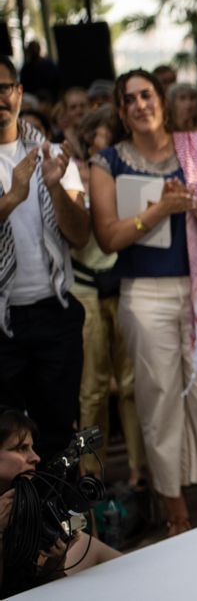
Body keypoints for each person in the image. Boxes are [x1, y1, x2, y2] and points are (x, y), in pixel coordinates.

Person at [90, 69, 197, 537]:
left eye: (147, 95)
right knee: (159, 404)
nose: (141, 104)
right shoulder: (108, 162)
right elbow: (108, 236)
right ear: (121, 111)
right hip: (145, 294)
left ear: (161, 100)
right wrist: (159, 210)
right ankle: (177, 516)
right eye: (130, 99)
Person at [0, 56, 90, 459]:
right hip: (2, 322)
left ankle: (64, 521)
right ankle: (18, 521)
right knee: (6, 442)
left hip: (54, 313)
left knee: (58, 433)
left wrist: (55, 189)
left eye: (4, 88)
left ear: (19, 93)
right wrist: (12, 199)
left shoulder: (52, 154)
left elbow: (81, 234)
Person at [71, 106, 147, 485]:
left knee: (132, 385)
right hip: (84, 288)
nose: (111, 144)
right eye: (104, 137)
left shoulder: (129, 171)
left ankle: (138, 471)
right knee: (92, 390)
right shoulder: (75, 175)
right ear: (89, 140)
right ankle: (90, 473)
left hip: (122, 282)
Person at [0, 409, 120, 594]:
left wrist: (55, 561)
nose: (35, 457)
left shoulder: (26, 498)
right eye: (21, 448)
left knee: (87, 543)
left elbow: (47, 586)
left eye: (32, 448)